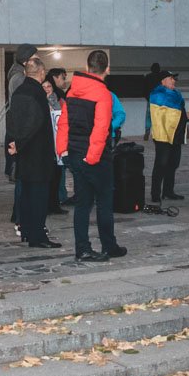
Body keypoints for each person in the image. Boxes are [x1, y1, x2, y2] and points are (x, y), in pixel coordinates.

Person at [56, 49, 127, 262]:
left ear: (87, 68)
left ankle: (83, 249)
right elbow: (101, 129)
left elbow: (64, 123)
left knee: (82, 204)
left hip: (76, 154)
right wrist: (93, 157)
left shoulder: (72, 90)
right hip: (94, 157)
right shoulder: (102, 93)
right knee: (104, 201)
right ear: (107, 69)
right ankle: (108, 245)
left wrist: (63, 151)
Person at [8, 57, 61, 248]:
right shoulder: (37, 92)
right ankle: (38, 236)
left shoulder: (19, 91)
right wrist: (21, 143)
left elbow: (13, 119)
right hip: (38, 152)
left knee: (27, 195)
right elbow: (36, 122)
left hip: (24, 153)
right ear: (41, 73)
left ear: (25, 73)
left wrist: (16, 143)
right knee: (38, 196)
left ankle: (28, 232)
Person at [148, 70, 187, 204]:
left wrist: (184, 116)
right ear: (163, 81)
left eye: (174, 79)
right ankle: (155, 194)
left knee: (173, 163)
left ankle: (168, 191)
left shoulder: (176, 94)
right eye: (171, 78)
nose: (174, 81)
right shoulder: (157, 94)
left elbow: (176, 112)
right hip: (163, 136)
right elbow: (164, 115)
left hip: (176, 135)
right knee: (161, 165)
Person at [5, 44, 38, 181]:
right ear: (26, 60)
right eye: (35, 56)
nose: (38, 59)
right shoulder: (19, 78)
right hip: (21, 129)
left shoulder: (18, 76)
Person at [47, 67, 74, 205]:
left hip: (58, 134)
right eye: (63, 78)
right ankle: (60, 196)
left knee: (61, 166)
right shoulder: (56, 94)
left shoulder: (59, 93)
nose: (65, 81)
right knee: (60, 166)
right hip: (57, 135)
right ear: (56, 77)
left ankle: (60, 195)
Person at [143, 62, 161, 140]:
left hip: (150, 98)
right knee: (157, 116)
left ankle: (147, 130)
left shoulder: (148, 76)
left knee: (149, 116)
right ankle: (157, 133)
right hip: (159, 98)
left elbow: (145, 88)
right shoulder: (160, 77)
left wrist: (147, 97)